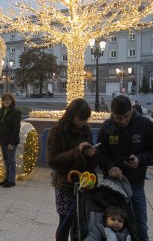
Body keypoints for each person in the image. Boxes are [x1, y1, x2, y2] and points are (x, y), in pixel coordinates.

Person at [98, 95, 153, 241]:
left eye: (126, 117)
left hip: (135, 186)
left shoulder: (144, 124)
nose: (122, 121)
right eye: (118, 118)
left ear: (131, 110)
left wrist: (140, 159)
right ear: (112, 113)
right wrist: (110, 167)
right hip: (112, 186)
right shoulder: (107, 127)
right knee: (110, 229)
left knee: (140, 228)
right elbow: (101, 154)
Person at [47, 98, 98, 241]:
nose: (84, 123)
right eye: (81, 119)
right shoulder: (57, 131)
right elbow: (52, 161)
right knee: (65, 222)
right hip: (65, 184)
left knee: (81, 223)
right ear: (71, 115)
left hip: (84, 183)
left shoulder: (85, 130)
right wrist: (77, 151)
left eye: (86, 119)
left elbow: (91, 161)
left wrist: (91, 153)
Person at [0, 92, 21, 188]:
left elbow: (16, 129)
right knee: (6, 160)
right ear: (2, 101)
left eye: (8, 99)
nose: (6, 101)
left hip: (11, 140)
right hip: (2, 139)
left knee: (11, 160)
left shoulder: (16, 112)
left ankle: (11, 180)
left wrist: (12, 143)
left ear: (12, 101)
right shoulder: (1, 110)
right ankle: (7, 178)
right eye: (4, 99)